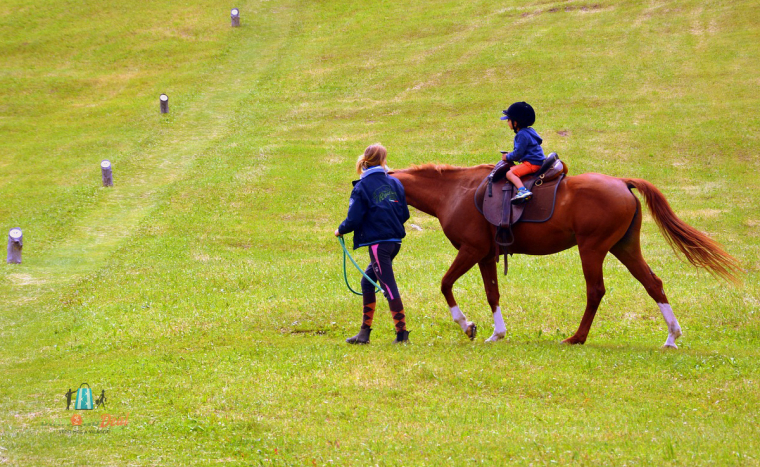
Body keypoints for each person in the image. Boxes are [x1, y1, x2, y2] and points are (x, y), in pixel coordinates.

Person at [334, 143, 411, 344]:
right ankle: (364, 333)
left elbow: (354, 218)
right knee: (367, 281)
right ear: (384, 160)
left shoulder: (362, 187)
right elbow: (404, 213)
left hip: (379, 245)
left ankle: (402, 335)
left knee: (388, 287)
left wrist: (341, 229)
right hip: (395, 243)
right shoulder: (395, 183)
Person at [495, 102, 546, 202]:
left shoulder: (521, 135)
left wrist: (507, 157)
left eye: (509, 120)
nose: (507, 122)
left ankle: (522, 191)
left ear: (515, 122)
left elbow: (518, 154)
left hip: (532, 164)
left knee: (510, 174)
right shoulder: (530, 130)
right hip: (537, 161)